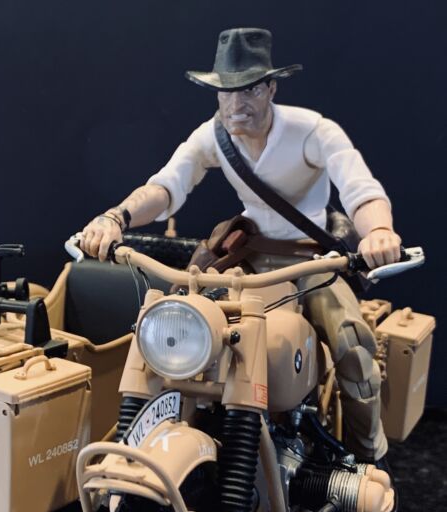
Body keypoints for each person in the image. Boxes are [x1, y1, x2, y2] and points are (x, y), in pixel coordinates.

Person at [80, 27, 401, 470]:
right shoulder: (213, 135)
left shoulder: (312, 131)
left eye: (249, 89)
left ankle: (367, 458)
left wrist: (378, 231)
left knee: (353, 344)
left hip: (311, 261)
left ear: (271, 88)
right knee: (180, 323)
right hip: (246, 258)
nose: (236, 103)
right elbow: (166, 186)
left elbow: (360, 190)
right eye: (225, 91)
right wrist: (115, 216)